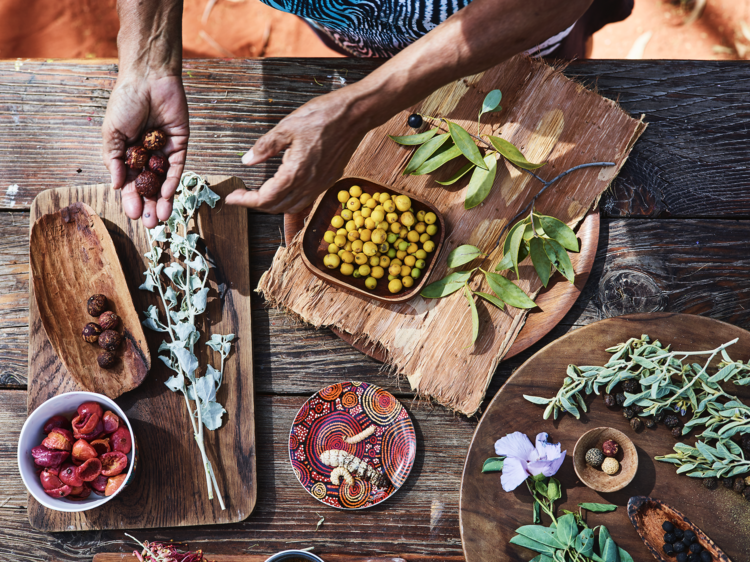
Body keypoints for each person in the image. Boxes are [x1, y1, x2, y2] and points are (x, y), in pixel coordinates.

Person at [102, 0, 632, 228]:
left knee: (532, 96)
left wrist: (359, 109)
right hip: (355, 20)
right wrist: (147, 57)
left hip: (500, 31)